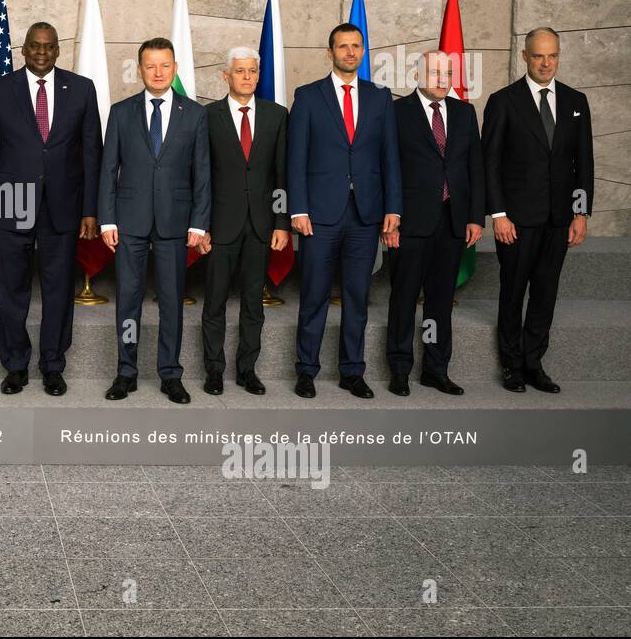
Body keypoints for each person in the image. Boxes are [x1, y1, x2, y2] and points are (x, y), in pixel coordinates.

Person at [0, 22, 102, 397]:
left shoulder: (81, 88)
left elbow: (93, 151)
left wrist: (90, 209)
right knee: (11, 288)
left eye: (49, 46)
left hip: (64, 207)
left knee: (59, 289)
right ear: (23, 49)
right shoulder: (0, 89)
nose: (42, 52)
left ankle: (53, 365)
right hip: (11, 206)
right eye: (34, 46)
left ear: (58, 50)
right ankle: (15, 365)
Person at [287, 23, 401, 399]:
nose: (350, 52)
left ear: (363, 50)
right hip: (319, 213)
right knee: (315, 294)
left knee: (357, 295)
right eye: (343, 46)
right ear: (330, 52)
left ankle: (353, 371)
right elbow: (296, 158)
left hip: (365, 213)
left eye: (356, 46)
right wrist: (297, 208)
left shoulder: (381, 97)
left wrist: (393, 209)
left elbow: (390, 158)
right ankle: (306, 370)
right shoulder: (307, 96)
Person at [99, 37, 211, 404]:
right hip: (129, 222)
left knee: (171, 300)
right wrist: (106, 220)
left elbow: (203, 175)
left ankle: (170, 374)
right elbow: (107, 171)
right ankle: (126, 372)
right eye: (151, 66)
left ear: (175, 68)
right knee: (128, 300)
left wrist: (198, 223)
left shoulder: (194, 114)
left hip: (175, 223)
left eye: (165, 65)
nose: (158, 72)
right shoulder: (121, 112)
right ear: (140, 69)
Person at [482, 27, 594, 393]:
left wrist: (580, 214)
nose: (547, 63)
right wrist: (498, 215)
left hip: (560, 220)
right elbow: (491, 164)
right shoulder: (503, 101)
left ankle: (533, 363)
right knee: (513, 293)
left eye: (553, 55)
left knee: (546, 293)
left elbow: (583, 163)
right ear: (525, 56)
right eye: (539, 55)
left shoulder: (577, 101)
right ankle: (511, 365)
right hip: (516, 221)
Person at [385, 51, 484, 396]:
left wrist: (474, 216)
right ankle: (399, 369)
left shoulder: (464, 112)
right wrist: (391, 219)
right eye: (434, 72)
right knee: (404, 297)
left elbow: (475, 167)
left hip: (453, 221)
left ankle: (435, 369)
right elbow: (389, 168)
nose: (442, 79)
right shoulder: (397, 113)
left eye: (447, 73)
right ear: (418, 74)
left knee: (440, 301)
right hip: (410, 221)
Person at [201, 46, 289, 396]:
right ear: (226, 76)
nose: (248, 77)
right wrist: (201, 224)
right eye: (240, 71)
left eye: (253, 70)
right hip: (220, 224)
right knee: (215, 302)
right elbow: (201, 176)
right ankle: (214, 370)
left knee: (254, 303)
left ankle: (247, 370)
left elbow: (282, 173)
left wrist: (282, 222)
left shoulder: (277, 115)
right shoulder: (207, 116)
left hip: (261, 225)